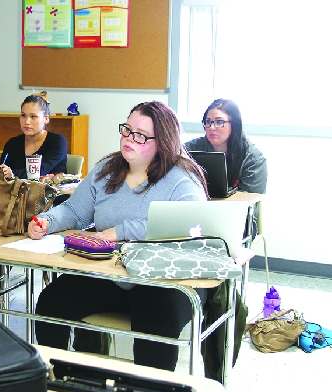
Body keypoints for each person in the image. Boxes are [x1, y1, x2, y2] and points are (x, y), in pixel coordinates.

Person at [28, 101, 208, 371]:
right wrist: (47, 221)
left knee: (157, 315)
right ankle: (59, 376)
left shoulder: (182, 178)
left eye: (140, 135)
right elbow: (76, 212)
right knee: (52, 300)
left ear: (163, 141)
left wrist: (119, 231)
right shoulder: (106, 170)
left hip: (163, 279)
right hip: (113, 273)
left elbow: (185, 225)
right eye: (127, 129)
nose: (129, 139)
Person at [184, 98, 267, 236]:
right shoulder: (190, 149)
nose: (211, 127)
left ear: (234, 124)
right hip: (198, 212)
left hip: (239, 220)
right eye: (208, 122)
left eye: (219, 122)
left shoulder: (253, 158)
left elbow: (247, 204)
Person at [0, 91, 67, 179]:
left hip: (51, 191)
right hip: (17, 191)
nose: (27, 122)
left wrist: (13, 174)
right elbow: (3, 172)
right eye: (23, 115)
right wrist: (4, 172)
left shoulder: (58, 141)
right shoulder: (12, 143)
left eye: (33, 116)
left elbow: (40, 170)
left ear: (46, 119)